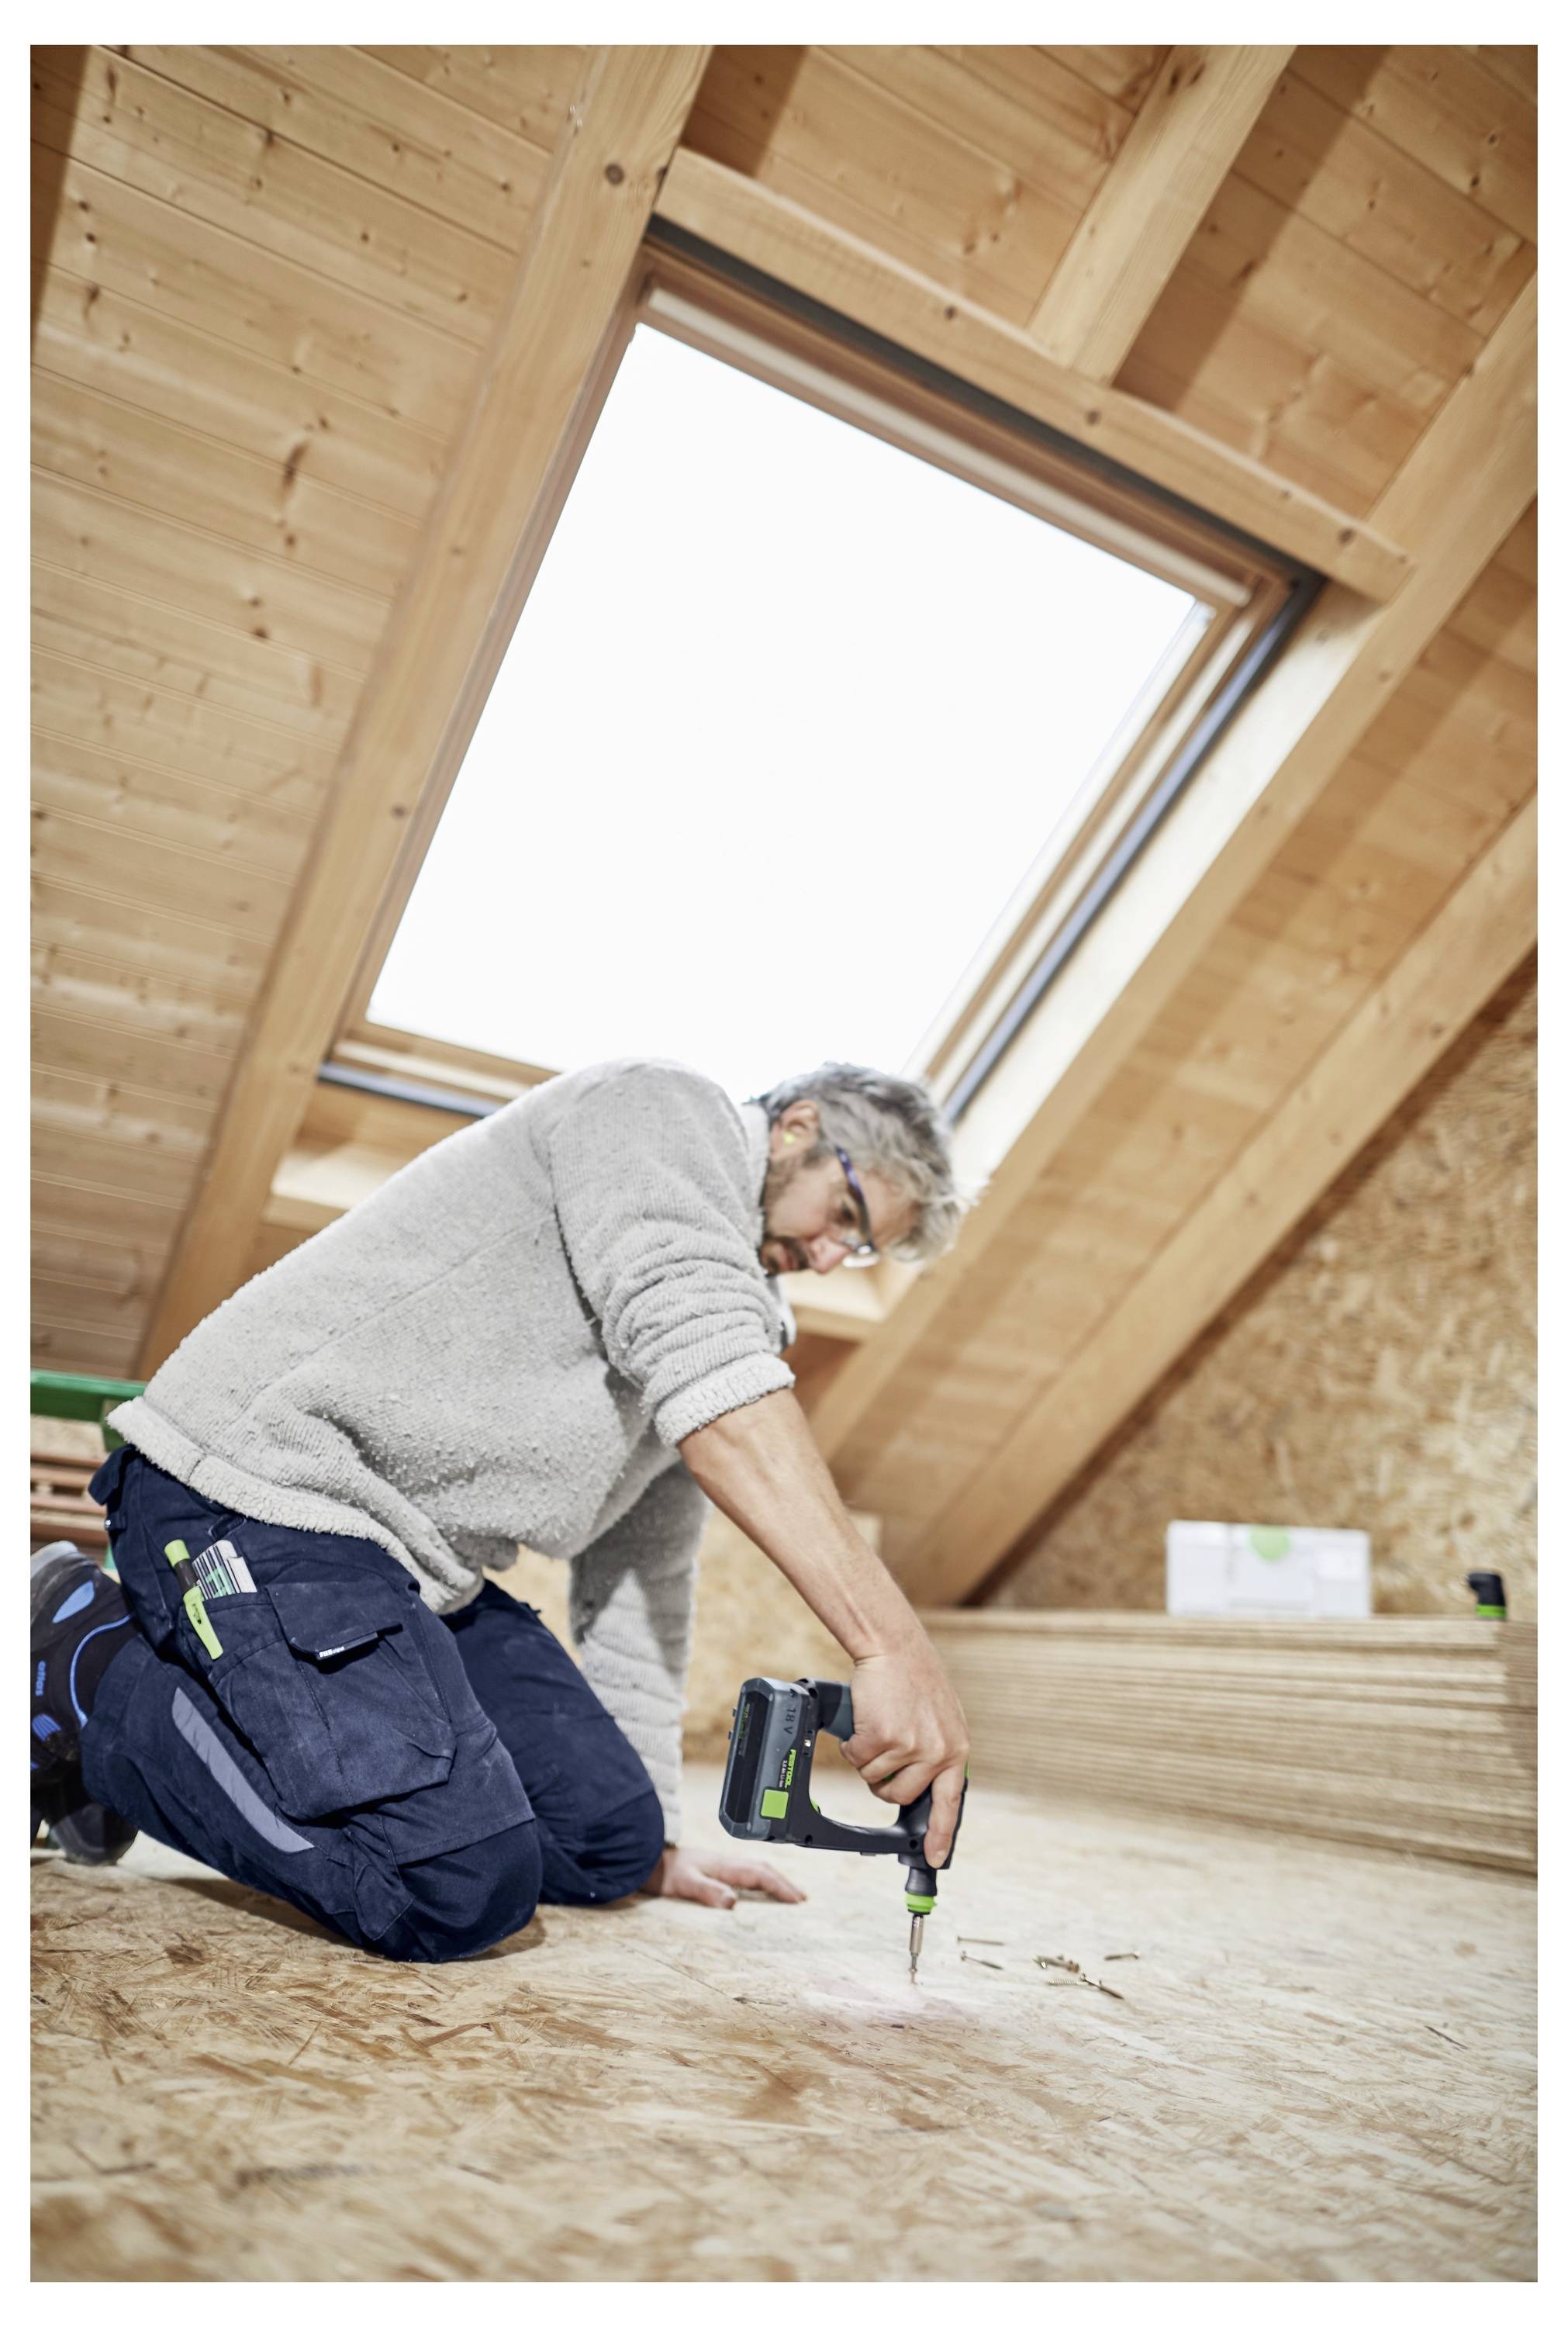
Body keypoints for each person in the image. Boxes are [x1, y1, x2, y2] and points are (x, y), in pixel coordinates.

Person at [30, 1058, 972, 1962]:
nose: (827, 1255)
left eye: (858, 1250)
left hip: (409, 1569)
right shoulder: (664, 1113)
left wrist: (662, 1848)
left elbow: (647, 1574)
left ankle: (166, 1704)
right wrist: (891, 1646)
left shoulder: (744, 1317)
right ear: (797, 1127)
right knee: (453, 1884)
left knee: (610, 1842)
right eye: (844, 1213)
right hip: (255, 1494)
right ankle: (81, 1660)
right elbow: (709, 1367)